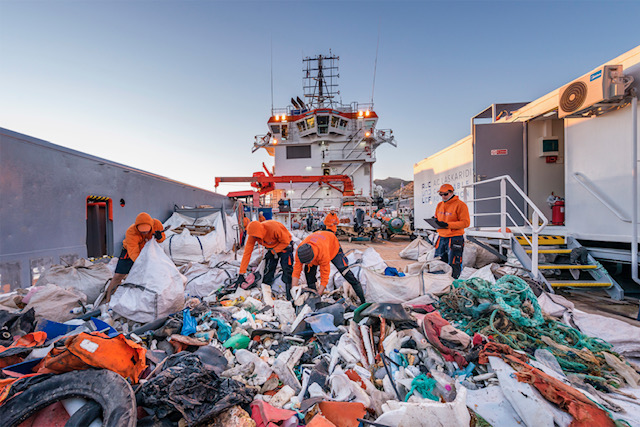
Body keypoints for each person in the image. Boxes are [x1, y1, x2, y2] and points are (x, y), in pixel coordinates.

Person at [105, 212, 166, 302]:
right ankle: (108, 299)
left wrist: (160, 237)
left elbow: (162, 238)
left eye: (147, 231)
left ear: (151, 225)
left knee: (152, 275)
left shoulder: (157, 224)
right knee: (118, 275)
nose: (145, 233)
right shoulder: (131, 232)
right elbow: (133, 252)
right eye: (142, 231)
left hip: (149, 250)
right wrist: (142, 265)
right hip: (130, 252)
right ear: (137, 227)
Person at [292, 231, 366, 304]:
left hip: (332, 245)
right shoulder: (300, 251)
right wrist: (294, 290)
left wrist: (318, 295)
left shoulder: (323, 254)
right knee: (309, 274)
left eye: (308, 262)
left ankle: (362, 300)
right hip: (318, 242)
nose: (307, 264)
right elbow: (296, 271)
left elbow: (324, 277)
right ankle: (313, 301)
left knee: (345, 272)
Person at [236, 220, 294, 299]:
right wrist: (241, 273)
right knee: (268, 270)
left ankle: (289, 294)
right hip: (271, 248)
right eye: (254, 237)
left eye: (257, 237)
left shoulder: (274, 228)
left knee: (287, 269)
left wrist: (273, 251)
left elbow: (286, 242)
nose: (255, 238)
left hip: (285, 246)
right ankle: (267, 293)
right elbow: (247, 253)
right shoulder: (253, 235)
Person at [432, 183, 470, 279]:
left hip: (455, 238)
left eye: (445, 194)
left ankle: (453, 283)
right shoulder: (439, 205)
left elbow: (465, 223)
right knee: (438, 262)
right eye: (441, 194)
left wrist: (447, 225)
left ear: (451, 192)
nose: (443, 196)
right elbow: (437, 217)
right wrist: (435, 221)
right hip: (441, 236)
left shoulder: (460, 205)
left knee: (454, 263)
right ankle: (440, 282)